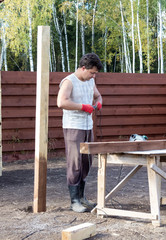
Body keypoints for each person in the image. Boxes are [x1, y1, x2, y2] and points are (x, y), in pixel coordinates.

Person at [57, 53, 103, 213]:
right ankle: (74, 200)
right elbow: (61, 102)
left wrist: (98, 103)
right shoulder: (69, 81)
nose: (93, 75)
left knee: (86, 161)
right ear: (83, 68)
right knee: (75, 162)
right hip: (73, 126)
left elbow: (97, 95)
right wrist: (83, 107)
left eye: (95, 73)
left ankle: (82, 197)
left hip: (87, 126)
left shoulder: (90, 81)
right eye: (92, 72)